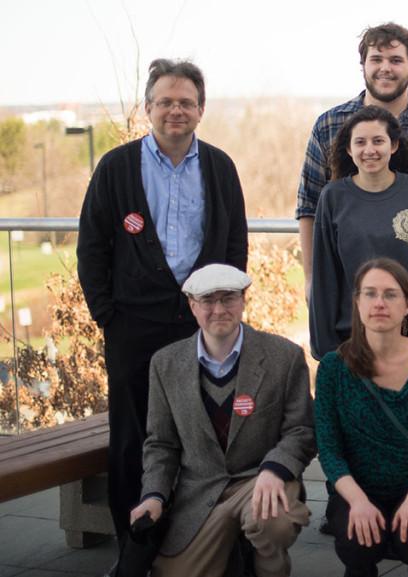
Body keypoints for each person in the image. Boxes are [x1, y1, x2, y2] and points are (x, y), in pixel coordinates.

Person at [77, 58, 248, 548]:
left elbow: (234, 243)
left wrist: (225, 313)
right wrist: (107, 315)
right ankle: (135, 547)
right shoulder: (116, 167)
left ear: (201, 109)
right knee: (133, 438)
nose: (177, 110)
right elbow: (91, 246)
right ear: (148, 107)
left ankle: (199, 543)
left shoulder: (219, 167)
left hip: (204, 326)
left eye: (186, 102)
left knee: (207, 435)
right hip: (133, 327)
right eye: (166, 102)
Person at [131, 264, 314, 576]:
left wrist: (274, 469)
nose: (219, 309)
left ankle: (267, 568)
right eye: (207, 300)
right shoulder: (165, 364)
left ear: (244, 300)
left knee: (273, 523)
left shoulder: (285, 356)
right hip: (200, 491)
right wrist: (153, 495)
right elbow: (161, 444)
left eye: (228, 298)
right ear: (192, 306)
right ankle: (231, 556)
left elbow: (302, 429)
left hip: (259, 479)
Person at [297, 22, 408, 301]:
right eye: (376, 59)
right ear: (363, 65)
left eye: (396, 60)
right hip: (346, 285)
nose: (385, 68)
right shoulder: (329, 124)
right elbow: (309, 205)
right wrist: (311, 279)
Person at [315, 258, 408, 577]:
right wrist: (357, 501)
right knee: (357, 543)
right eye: (370, 294)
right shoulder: (332, 368)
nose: (379, 303)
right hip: (358, 487)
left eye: (391, 294)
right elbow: (329, 449)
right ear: (357, 302)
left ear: (407, 305)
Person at [309, 105, 408, 358]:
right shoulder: (333, 197)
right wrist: (326, 350)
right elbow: (324, 276)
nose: (369, 150)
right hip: (350, 342)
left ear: (393, 146)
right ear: (349, 149)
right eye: (360, 142)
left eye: (378, 141)